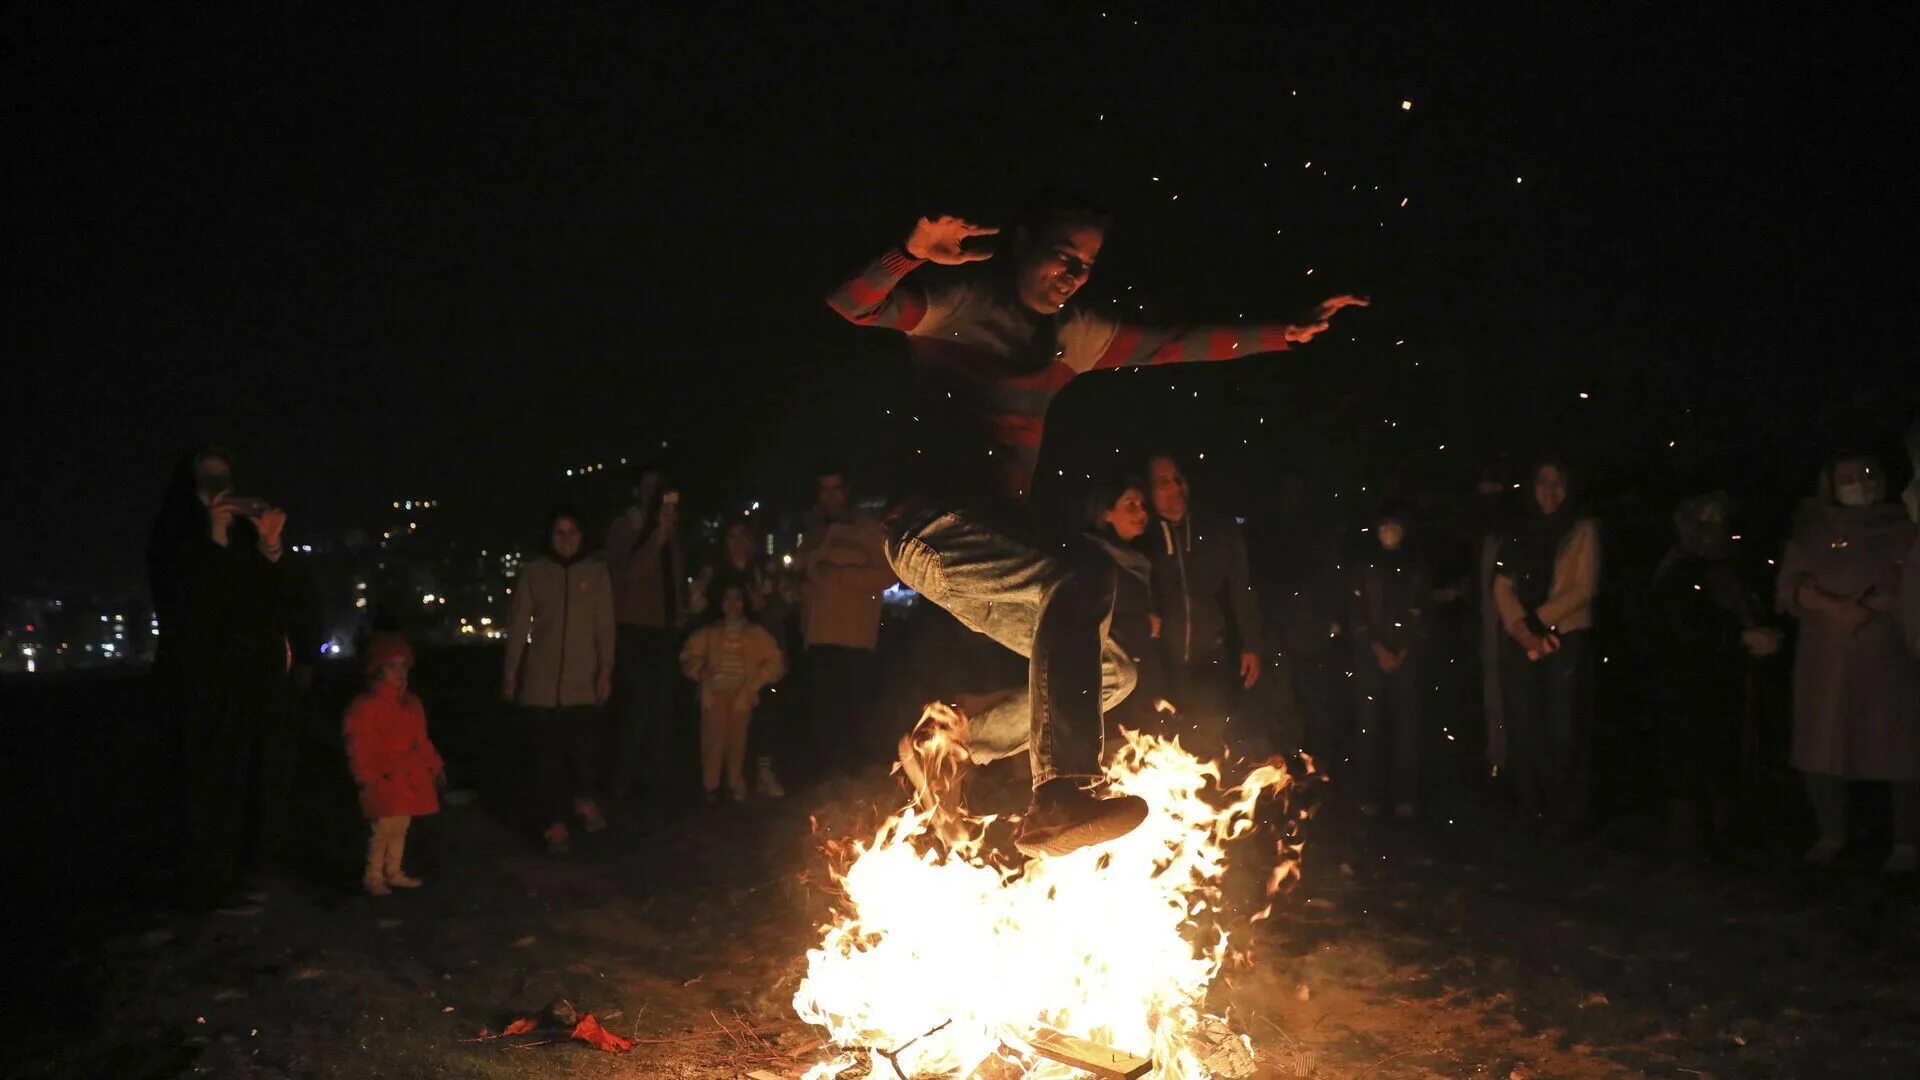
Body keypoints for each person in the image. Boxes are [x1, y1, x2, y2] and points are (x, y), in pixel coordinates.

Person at [829, 196, 1365, 856]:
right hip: (930, 528)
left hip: (980, 553)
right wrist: (908, 251)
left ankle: (955, 739)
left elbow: (1175, 343)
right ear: (1024, 242)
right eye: (1063, 257)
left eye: (1086, 266)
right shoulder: (961, 303)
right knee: (1082, 576)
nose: (1075, 275)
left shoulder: (1074, 335)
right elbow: (853, 305)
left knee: (1112, 675)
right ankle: (1062, 787)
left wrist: (1286, 332)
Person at [145, 446, 310, 913]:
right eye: (208, 477)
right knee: (209, 777)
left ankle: (251, 867)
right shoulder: (175, 533)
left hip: (253, 678)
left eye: (226, 477)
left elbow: (274, 596)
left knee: (258, 772)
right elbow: (190, 605)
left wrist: (270, 546)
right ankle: (208, 880)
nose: (220, 487)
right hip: (202, 683)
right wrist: (213, 535)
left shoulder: (241, 531)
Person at [1775, 453, 1920, 873]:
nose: (1860, 483)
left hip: (1889, 657)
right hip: (1826, 658)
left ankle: (1907, 841)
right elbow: (1789, 583)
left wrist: (1880, 603)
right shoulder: (1811, 528)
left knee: (1901, 744)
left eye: (1868, 475)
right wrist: (1830, 606)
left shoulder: (1905, 527)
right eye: (1849, 477)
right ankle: (1831, 832)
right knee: (1824, 741)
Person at [1646, 491, 1783, 856]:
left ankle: (1728, 839)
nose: (1714, 524)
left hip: (1729, 681)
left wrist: (1764, 634)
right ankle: (1688, 843)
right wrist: (1738, 637)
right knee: (1689, 762)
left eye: (1719, 516)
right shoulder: (1678, 568)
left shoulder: (1733, 564)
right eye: (1705, 516)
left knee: (1725, 759)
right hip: (1687, 685)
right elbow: (1679, 627)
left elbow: (1750, 606)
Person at [1492, 460, 1601, 834]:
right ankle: (1529, 804)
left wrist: (1541, 623)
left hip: (1565, 637)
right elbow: (1502, 584)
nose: (1549, 490)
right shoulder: (1518, 532)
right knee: (1523, 721)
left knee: (1562, 725)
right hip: (1524, 637)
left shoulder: (1581, 529)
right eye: (1542, 481)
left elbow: (1582, 588)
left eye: (1557, 482)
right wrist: (1523, 630)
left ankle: (1563, 810)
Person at [502, 508, 616, 853]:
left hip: (582, 682)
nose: (566, 540)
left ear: (583, 536)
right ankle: (553, 824)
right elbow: (520, 625)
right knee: (546, 759)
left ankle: (584, 804)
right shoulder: (534, 573)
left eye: (572, 532)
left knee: (582, 754)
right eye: (559, 533)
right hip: (541, 685)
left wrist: (605, 668)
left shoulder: (596, 574)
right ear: (549, 537)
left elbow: (604, 625)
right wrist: (511, 672)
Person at [1145, 454, 1267, 755]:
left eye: (1178, 479)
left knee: (1209, 738)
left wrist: (1251, 643)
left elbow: (1241, 587)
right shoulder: (1143, 535)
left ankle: (1209, 797)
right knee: (1164, 745)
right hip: (1161, 660)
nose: (1174, 487)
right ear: (1149, 490)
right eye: (1163, 481)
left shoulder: (1216, 530)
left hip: (1210, 655)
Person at [797, 466, 895, 773]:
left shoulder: (867, 528)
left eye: (835, 488)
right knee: (822, 721)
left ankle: (854, 790)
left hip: (853, 639)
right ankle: (826, 791)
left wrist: (839, 577)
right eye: (823, 489)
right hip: (817, 637)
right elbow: (806, 573)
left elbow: (888, 573)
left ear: (847, 490)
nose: (829, 496)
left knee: (852, 721)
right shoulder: (814, 530)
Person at [604, 465, 687, 808]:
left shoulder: (670, 532)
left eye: (660, 488)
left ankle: (655, 783)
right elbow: (625, 575)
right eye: (649, 487)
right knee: (635, 710)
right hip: (634, 630)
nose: (655, 494)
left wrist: (682, 607)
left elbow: (674, 575)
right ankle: (623, 784)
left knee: (662, 710)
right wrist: (657, 537)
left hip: (665, 630)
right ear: (636, 491)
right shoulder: (624, 528)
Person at [692, 517, 792, 796]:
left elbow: (784, 607)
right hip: (727, 662)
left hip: (761, 657)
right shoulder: (717, 576)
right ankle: (729, 779)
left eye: (743, 535)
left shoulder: (765, 571)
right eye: (731, 536)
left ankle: (761, 772)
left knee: (765, 713)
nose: (738, 542)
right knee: (727, 723)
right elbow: (703, 614)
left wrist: (766, 604)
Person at [344, 634, 444, 897]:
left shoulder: (411, 703)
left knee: (400, 827)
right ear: (377, 669)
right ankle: (373, 876)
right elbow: (358, 744)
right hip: (385, 776)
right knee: (383, 830)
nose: (399, 672)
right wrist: (366, 775)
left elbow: (421, 740)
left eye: (403, 665)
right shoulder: (367, 706)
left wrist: (434, 765)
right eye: (391, 665)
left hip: (407, 776)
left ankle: (393, 871)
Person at [1347, 509, 1430, 820]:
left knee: (1406, 728)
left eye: (1395, 524)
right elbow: (1356, 612)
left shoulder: (1415, 565)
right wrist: (1378, 649)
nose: (1390, 530)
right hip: (1370, 659)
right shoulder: (1364, 565)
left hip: (1406, 661)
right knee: (1369, 727)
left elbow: (1421, 611)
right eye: (1384, 524)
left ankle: (1405, 797)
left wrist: (1405, 650)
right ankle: (1369, 795)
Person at [680, 583, 787, 803]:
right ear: (721, 603)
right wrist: (700, 671)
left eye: (737, 599)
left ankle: (733, 783)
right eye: (728, 599)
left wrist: (757, 680)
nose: (732, 604)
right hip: (714, 694)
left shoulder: (755, 634)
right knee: (713, 739)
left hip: (741, 695)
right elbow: (689, 655)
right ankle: (710, 786)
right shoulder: (709, 633)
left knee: (738, 740)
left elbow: (776, 660)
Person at [1086, 476, 1166, 733]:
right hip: (1108, 686)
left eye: (1143, 505)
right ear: (1106, 512)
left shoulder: (1137, 562)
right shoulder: (1096, 560)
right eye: (1130, 505)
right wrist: (1145, 625)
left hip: (1137, 687)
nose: (1141, 512)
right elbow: (1097, 619)